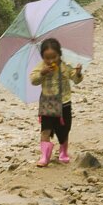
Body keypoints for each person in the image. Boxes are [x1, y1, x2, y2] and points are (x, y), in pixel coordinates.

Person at [30, 37, 83, 167]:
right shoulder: (41, 67)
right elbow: (33, 80)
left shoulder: (65, 66)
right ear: (42, 57)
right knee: (45, 130)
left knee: (64, 129)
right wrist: (42, 73)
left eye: (54, 57)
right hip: (47, 103)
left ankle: (63, 151)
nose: (51, 61)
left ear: (59, 54)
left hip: (64, 102)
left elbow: (76, 80)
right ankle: (44, 156)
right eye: (47, 58)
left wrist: (78, 73)